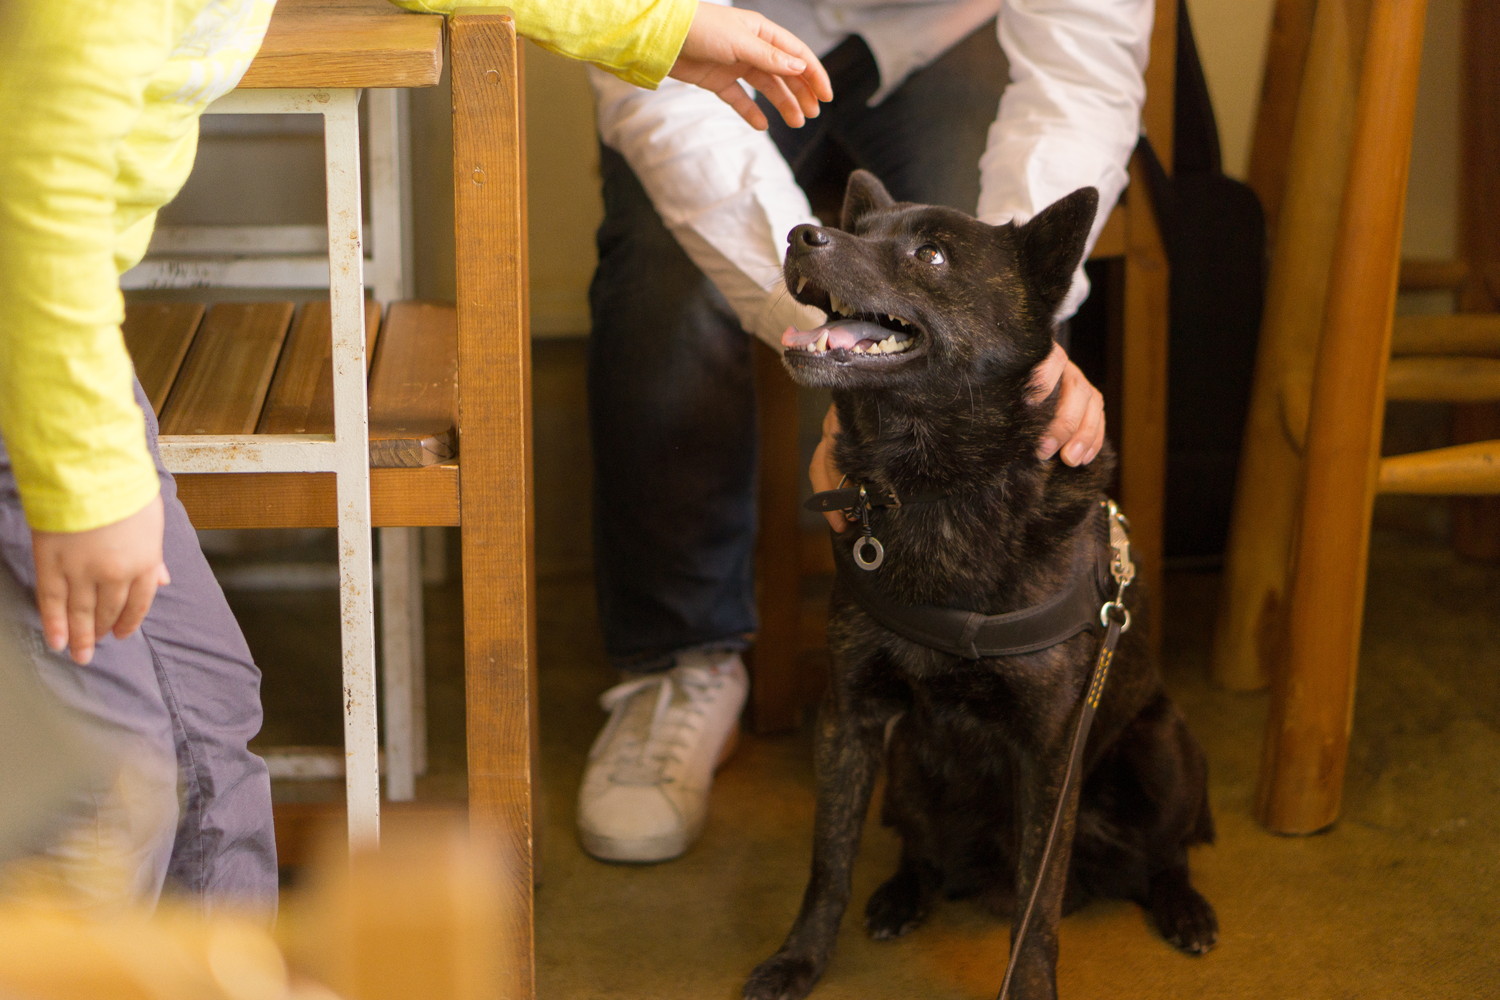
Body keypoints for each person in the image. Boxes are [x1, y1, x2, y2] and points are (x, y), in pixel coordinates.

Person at [0, 0, 828, 912]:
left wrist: (657, 28)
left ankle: (220, 969)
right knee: (104, 785)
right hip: (31, 364)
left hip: (52, 365)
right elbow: (36, 199)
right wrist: (87, 488)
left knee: (203, 719)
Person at [577, 0, 1149, 864]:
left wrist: (1013, 329)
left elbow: (1078, 67)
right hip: (712, 30)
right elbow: (653, 82)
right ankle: (678, 660)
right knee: (664, 268)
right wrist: (838, 340)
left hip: (954, 33)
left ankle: (977, 668)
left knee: (965, 285)